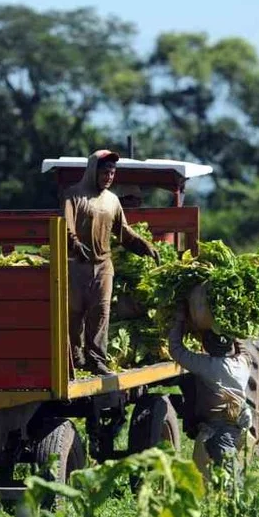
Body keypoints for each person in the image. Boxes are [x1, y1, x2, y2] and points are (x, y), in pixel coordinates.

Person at [64, 150, 160, 375]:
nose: (109, 177)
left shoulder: (113, 201)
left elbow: (123, 232)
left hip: (103, 265)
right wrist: (75, 243)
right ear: (93, 172)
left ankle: (96, 359)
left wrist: (144, 246)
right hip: (77, 265)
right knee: (75, 313)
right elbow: (66, 226)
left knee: (101, 312)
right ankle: (75, 358)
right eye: (105, 172)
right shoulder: (74, 195)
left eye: (112, 173)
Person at [167, 302, 253, 482]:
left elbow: (176, 350)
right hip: (236, 428)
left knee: (230, 480)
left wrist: (180, 320)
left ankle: (237, 507)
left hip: (218, 430)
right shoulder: (242, 363)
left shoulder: (208, 366)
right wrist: (234, 326)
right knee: (221, 473)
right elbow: (244, 350)